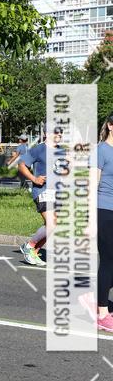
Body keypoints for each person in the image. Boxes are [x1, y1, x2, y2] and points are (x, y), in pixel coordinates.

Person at [79, 114, 113, 332]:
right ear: (111, 126)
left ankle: (94, 295)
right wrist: (90, 221)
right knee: (109, 260)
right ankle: (102, 312)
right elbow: (91, 187)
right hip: (104, 209)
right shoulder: (100, 150)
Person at [17, 132, 63, 267]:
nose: (59, 134)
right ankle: (29, 246)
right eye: (56, 131)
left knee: (51, 226)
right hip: (42, 191)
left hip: (56, 192)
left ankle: (34, 252)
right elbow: (21, 164)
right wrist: (34, 179)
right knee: (52, 223)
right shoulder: (39, 149)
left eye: (61, 132)